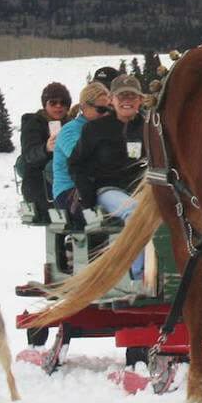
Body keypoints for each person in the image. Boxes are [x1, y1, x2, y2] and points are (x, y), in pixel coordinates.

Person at [66, 74, 150, 278]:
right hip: (108, 189)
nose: (127, 100)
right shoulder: (95, 129)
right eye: (121, 96)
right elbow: (76, 164)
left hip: (144, 188)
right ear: (112, 100)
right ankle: (138, 277)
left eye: (132, 96)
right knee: (134, 212)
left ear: (140, 100)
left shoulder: (150, 127)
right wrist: (87, 199)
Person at [52, 81, 111, 225]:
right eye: (101, 110)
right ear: (84, 107)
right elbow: (80, 159)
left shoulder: (105, 128)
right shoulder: (70, 130)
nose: (106, 114)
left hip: (98, 187)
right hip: (70, 191)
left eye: (109, 109)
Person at [14, 81, 71, 225]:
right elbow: (29, 155)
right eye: (53, 102)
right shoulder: (33, 123)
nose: (58, 106)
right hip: (40, 187)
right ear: (45, 104)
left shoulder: (71, 124)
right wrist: (45, 148)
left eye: (63, 103)